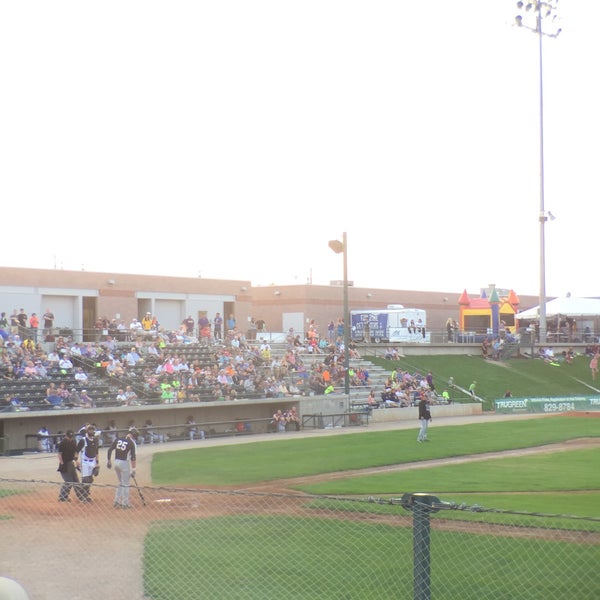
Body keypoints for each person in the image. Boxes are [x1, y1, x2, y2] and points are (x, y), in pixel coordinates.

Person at [106, 428, 138, 509]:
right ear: (133, 435)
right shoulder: (131, 443)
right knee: (126, 484)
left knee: (121, 482)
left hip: (116, 462)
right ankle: (125, 504)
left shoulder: (118, 439)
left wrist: (109, 460)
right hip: (124, 463)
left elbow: (109, 450)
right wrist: (134, 470)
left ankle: (116, 501)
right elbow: (133, 458)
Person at [56, 429, 85, 502]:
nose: (70, 438)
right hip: (65, 463)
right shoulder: (62, 443)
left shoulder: (73, 442)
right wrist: (62, 463)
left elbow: (75, 452)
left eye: (71, 437)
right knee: (68, 481)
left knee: (76, 481)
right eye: (69, 437)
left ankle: (81, 497)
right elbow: (59, 454)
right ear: (66, 436)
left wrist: (76, 461)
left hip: (71, 463)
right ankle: (62, 497)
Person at [76, 425, 100, 503]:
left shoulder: (95, 440)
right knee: (85, 480)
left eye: (93, 430)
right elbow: (76, 451)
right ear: (87, 431)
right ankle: (82, 497)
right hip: (85, 462)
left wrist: (97, 463)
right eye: (90, 430)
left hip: (92, 461)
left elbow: (96, 452)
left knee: (90, 479)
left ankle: (85, 495)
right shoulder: (83, 440)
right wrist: (76, 462)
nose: (92, 432)